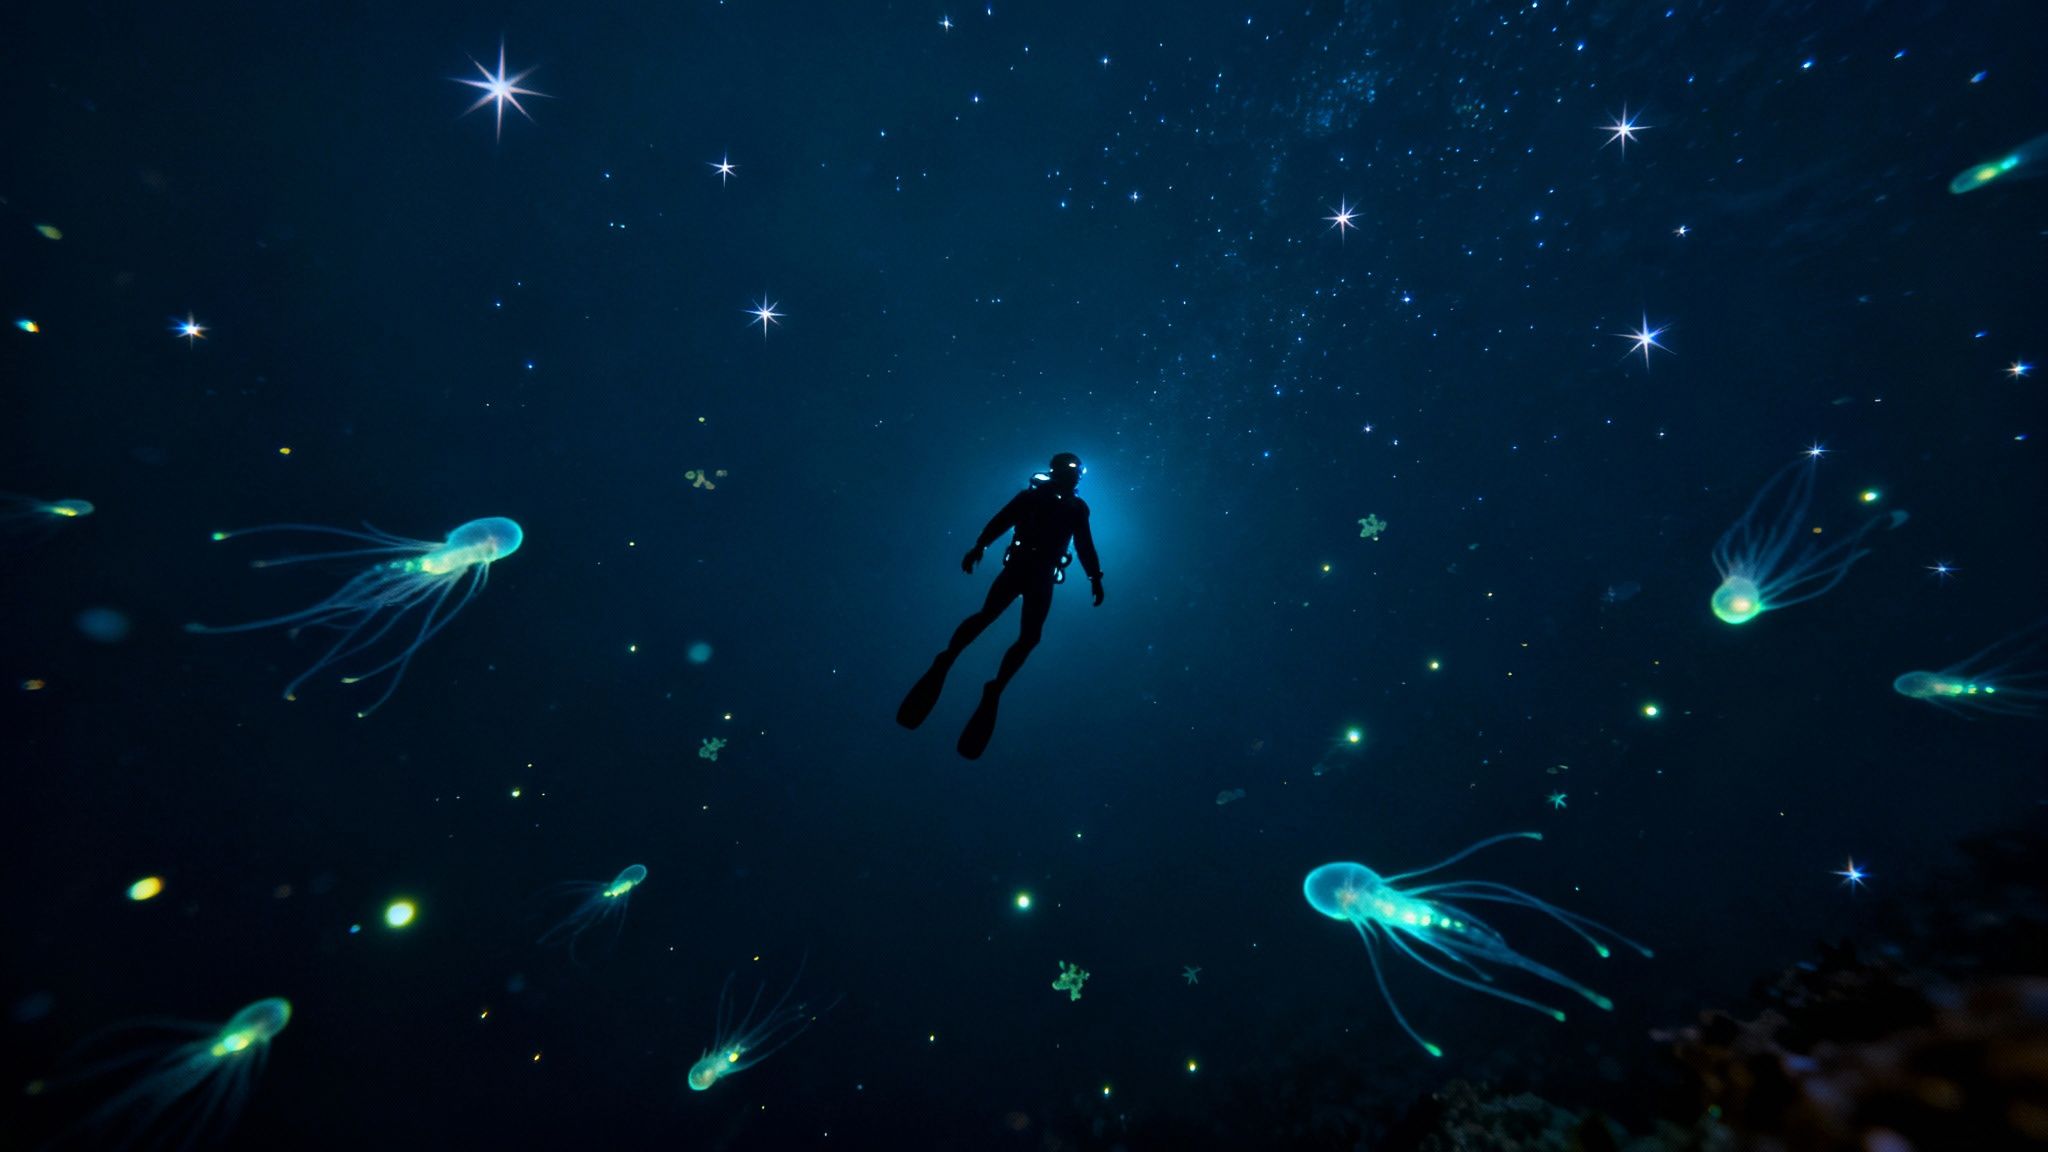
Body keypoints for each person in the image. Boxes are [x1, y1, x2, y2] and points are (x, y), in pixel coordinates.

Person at [897, 453, 1104, 758]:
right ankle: (959, 664)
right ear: (1059, 471)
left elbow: (1084, 545)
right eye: (1072, 470)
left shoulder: (1071, 507)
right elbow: (1003, 520)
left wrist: (1095, 577)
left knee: (1022, 633)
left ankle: (977, 675)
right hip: (1028, 571)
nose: (1076, 475)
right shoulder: (1043, 500)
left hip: (1034, 573)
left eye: (1078, 471)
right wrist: (979, 546)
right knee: (995, 620)